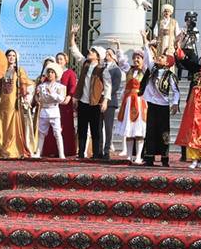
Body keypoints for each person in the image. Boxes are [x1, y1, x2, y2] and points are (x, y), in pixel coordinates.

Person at [68, 25, 112, 159]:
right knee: (82, 128)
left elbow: (108, 85)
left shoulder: (102, 69)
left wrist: (105, 101)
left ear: (98, 56)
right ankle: (81, 153)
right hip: (83, 101)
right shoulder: (85, 64)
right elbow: (74, 51)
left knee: (95, 129)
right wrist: (72, 35)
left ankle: (96, 154)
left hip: (95, 102)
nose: (89, 53)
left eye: (92, 52)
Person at [140, 38, 180, 166]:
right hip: (152, 105)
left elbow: (176, 91)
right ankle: (149, 157)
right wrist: (144, 40)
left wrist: (174, 103)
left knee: (164, 133)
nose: (159, 58)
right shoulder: (153, 69)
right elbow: (147, 56)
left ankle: (164, 158)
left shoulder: (170, 75)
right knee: (150, 131)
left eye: (162, 57)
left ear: (168, 62)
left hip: (163, 106)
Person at [0, 49, 33, 159]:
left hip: (13, 101)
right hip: (3, 102)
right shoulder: (2, 70)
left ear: (16, 58)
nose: (11, 57)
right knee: (2, 123)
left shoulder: (19, 70)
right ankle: (1, 148)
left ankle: (12, 148)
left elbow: (23, 85)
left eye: (13, 56)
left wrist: (24, 97)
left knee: (12, 124)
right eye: (9, 55)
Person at [114, 44, 149, 164]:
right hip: (128, 101)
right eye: (135, 57)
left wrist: (146, 44)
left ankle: (138, 156)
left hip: (139, 101)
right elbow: (122, 61)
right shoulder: (130, 70)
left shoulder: (145, 71)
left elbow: (149, 61)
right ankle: (129, 156)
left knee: (139, 130)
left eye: (139, 57)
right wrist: (118, 47)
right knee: (129, 131)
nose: (136, 59)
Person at [32, 61, 67, 159]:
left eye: (52, 72)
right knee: (41, 133)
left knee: (57, 133)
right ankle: (38, 152)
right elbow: (38, 99)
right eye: (49, 72)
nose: (50, 74)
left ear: (56, 74)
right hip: (44, 111)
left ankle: (61, 153)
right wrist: (37, 96)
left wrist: (52, 93)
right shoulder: (41, 86)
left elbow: (61, 99)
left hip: (54, 110)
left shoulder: (60, 87)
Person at [46, 51, 78, 157]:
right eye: (58, 59)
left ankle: (67, 149)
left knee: (65, 125)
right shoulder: (52, 72)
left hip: (65, 103)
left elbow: (73, 86)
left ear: (65, 61)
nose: (59, 61)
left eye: (61, 59)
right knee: (53, 126)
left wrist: (69, 96)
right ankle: (51, 149)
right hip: (53, 103)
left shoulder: (69, 73)